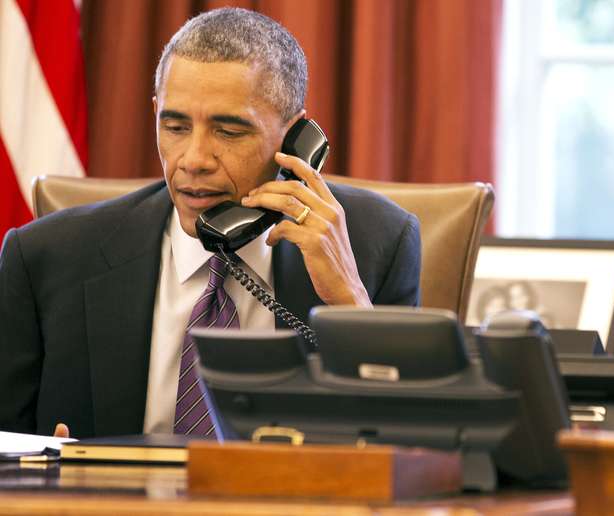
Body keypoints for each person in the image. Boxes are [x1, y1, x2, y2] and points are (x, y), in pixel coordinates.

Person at [0, 8, 420, 438]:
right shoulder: (46, 258)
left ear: (294, 137)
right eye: (177, 126)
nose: (194, 160)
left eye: (229, 132)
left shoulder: (378, 243)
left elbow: (414, 447)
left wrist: (349, 303)